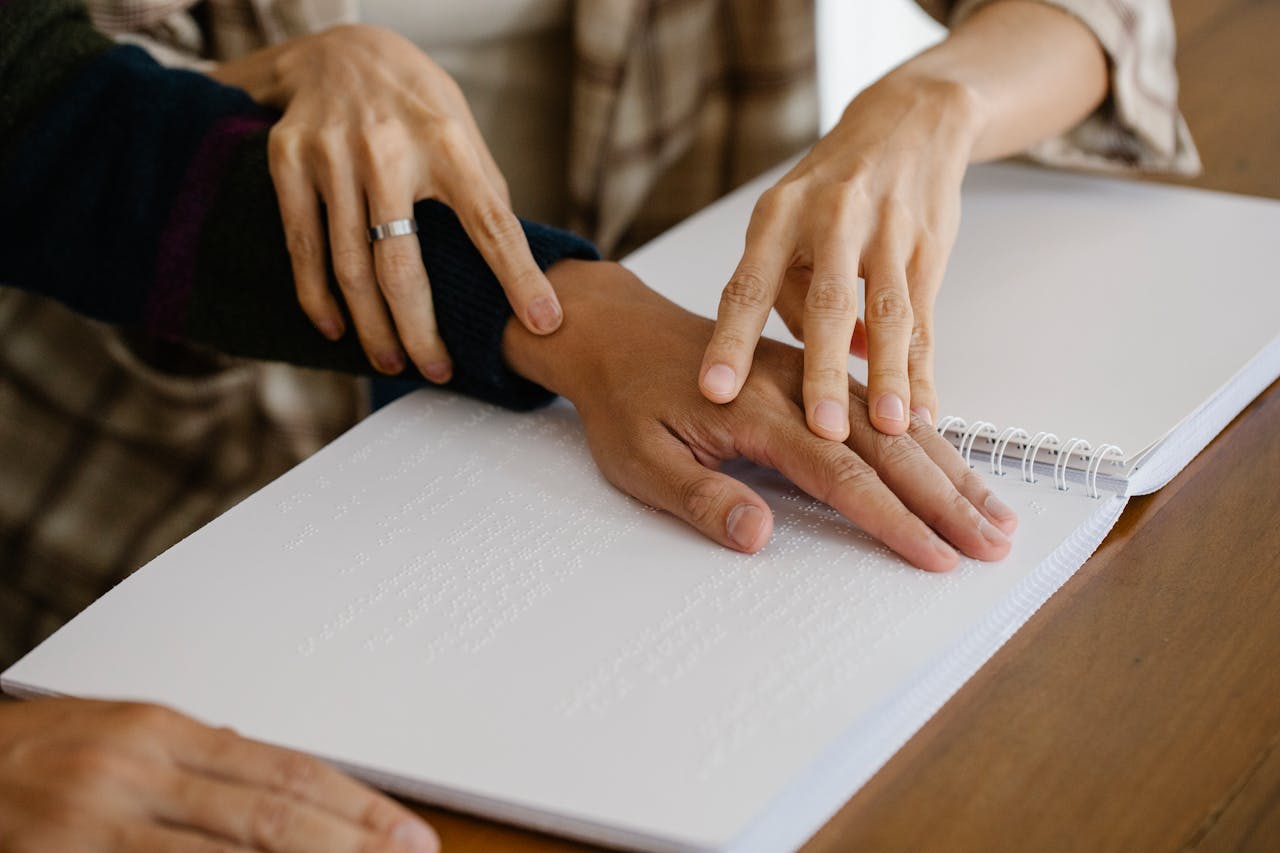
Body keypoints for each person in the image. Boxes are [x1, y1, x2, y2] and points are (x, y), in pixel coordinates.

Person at [0, 0, 1195, 849]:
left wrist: (938, 95)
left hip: (587, 373)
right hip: (152, 510)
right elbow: (66, 116)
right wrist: (573, 310)